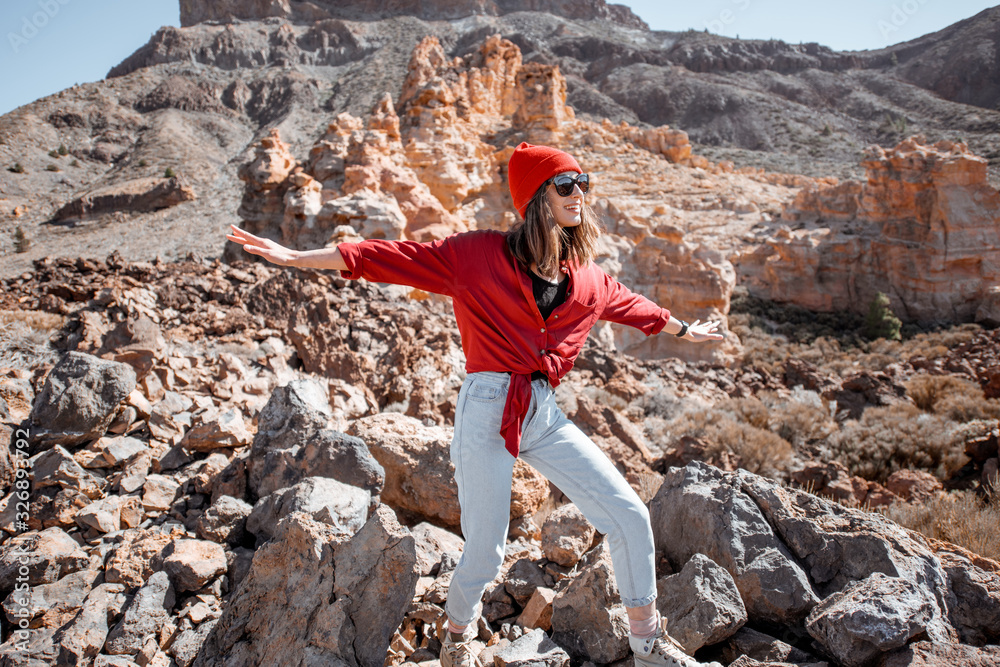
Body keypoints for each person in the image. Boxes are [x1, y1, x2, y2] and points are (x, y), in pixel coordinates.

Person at [227, 142, 725, 667]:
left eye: (584, 182)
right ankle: (458, 633)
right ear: (536, 197)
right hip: (487, 408)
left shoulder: (588, 278)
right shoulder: (476, 255)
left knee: (629, 515)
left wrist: (687, 330)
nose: (578, 193)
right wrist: (295, 257)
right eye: (565, 184)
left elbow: (634, 306)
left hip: (542, 412)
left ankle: (647, 646)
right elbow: (390, 257)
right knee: (486, 549)